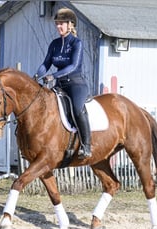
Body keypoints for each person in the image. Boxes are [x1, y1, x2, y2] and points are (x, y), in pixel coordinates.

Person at [34, 7, 92, 159]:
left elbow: (73, 66)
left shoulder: (76, 43)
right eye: (57, 24)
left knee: (78, 109)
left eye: (62, 23)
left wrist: (53, 76)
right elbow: (45, 64)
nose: (58, 26)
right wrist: (35, 76)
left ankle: (86, 145)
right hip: (60, 85)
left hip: (76, 84)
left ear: (70, 25)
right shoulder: (54, 44)